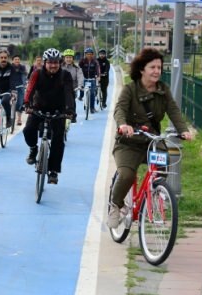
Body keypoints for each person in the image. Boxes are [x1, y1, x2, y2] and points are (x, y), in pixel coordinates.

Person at [107, 48, 193, 229]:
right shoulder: (130, 90)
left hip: (150, 141)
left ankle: (155, 192)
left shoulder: (163, 90)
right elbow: (120, 110)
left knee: (162, 165)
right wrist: (123, 125)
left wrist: (183, 130)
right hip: (129, 142)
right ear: (141, 69)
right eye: (152, 67)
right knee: (127, 174)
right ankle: (116, 204)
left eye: (159, 67)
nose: (156, 71)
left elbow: (173, 110)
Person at [23, 48, 75, 184]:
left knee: (58, 139)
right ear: (45, 62)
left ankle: (53, 171)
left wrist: (70, 110)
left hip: (59, 111)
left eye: (56, 62)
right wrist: (27, 104)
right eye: (50, 62)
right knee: (28, 130)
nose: (53, 65)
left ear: (60, 63)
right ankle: (33, 149)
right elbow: (30, 89)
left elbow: (69, 94)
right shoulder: (37, 74)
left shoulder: (65, 75)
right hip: (39, 108)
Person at [62, 49, 83, 123]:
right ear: (64, 58)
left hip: (73, 89)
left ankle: (73, 116)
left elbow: (80, 77)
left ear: (73, 58)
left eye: (70, 57)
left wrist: (80, 85)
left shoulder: (76, 68)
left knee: (72, 102)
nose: (68, 59)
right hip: (61, 88)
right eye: (67, 57)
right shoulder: (60, 67)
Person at [78, 47, 100, 114]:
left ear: (92, 55)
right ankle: (81, 97)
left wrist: (98, 76)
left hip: (92, 79)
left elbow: (97, 69)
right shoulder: (83, 61)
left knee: (92, 94)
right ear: (85, 54)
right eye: (87, 54)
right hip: (85, 79)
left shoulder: (95, 62)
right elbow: (79, 67)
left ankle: (92, 108)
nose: (89, 55)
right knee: (81, 88)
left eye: (90, 54)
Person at [10, 54, 27, 125]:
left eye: (18, 59)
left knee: (20, 103)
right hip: (12, 87)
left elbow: (24, 76)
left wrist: (25, 85)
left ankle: (19, 119)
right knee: (9, 102)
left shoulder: (22, 67)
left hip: (20, 87)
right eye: (15, 59)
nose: (17, 61)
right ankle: (9, 116)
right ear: (13, 61)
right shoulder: (10, 67)